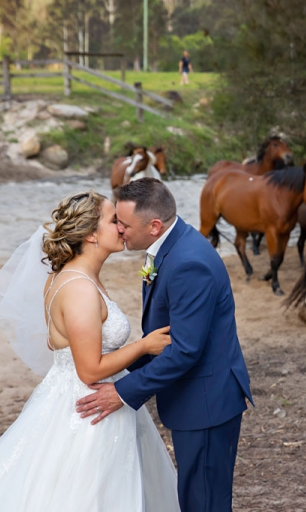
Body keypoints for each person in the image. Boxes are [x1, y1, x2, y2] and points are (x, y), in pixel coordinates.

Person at [0, 190, 181, 511]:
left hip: (80, 396)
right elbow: (90, 370)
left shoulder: (72, 276)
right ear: (91, 234)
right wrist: (144, 346)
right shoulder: (79, 288)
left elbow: (56, 341)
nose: (122, 227)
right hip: (89, 407)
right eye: (114, 220)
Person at [76, 178, 253, 512]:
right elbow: (160, 338)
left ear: (154, 226)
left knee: (203, 503)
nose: (119, 229)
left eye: (124, 224)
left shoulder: (188, 264)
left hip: (206, 402)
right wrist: (114, 369)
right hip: (197, 398)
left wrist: (122, 392)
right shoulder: (171, 246)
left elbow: (184, 350)